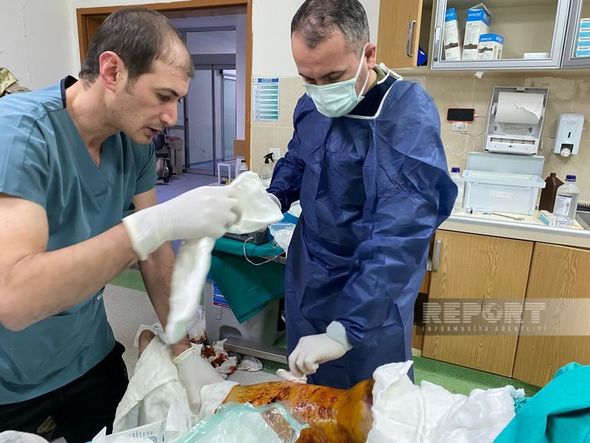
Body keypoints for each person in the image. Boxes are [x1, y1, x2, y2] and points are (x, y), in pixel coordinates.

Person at [0, 8, 239, 441]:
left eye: (178, 101)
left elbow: (155, 256)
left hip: (86, 354)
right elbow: (14, 298)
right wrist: (152, 226)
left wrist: (183, 352)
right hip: (12, 379)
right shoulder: (20, 134)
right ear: (112, 71)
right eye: (163, 96)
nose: (171, 116)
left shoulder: (134, 144)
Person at [267, 0, 457, 389]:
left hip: (373, 284)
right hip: (311, 271)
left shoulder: (405, 113)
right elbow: (300, 155)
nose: (320, 91)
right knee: (311, 391)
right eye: (308, 78)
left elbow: (400, 234)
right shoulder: (312, 103)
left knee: (369, 396)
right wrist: (272, 197)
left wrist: (346, 331)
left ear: (368, 55)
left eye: (332, 76)